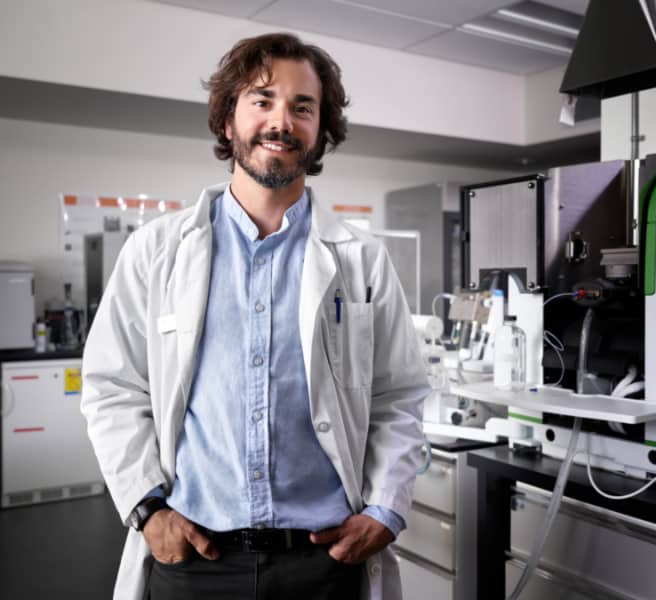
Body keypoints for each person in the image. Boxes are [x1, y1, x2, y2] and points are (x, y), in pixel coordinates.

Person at [81, 32, 429, 600]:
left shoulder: (360, 259)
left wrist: (387, 507)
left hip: (325, 562)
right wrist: (148, 511)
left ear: (320, 131)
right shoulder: (156, 252)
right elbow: (112, 388)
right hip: (194, 560)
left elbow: (399, 395)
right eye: (262, 100)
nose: (281, 121)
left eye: (302, 106)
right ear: (228, 121)